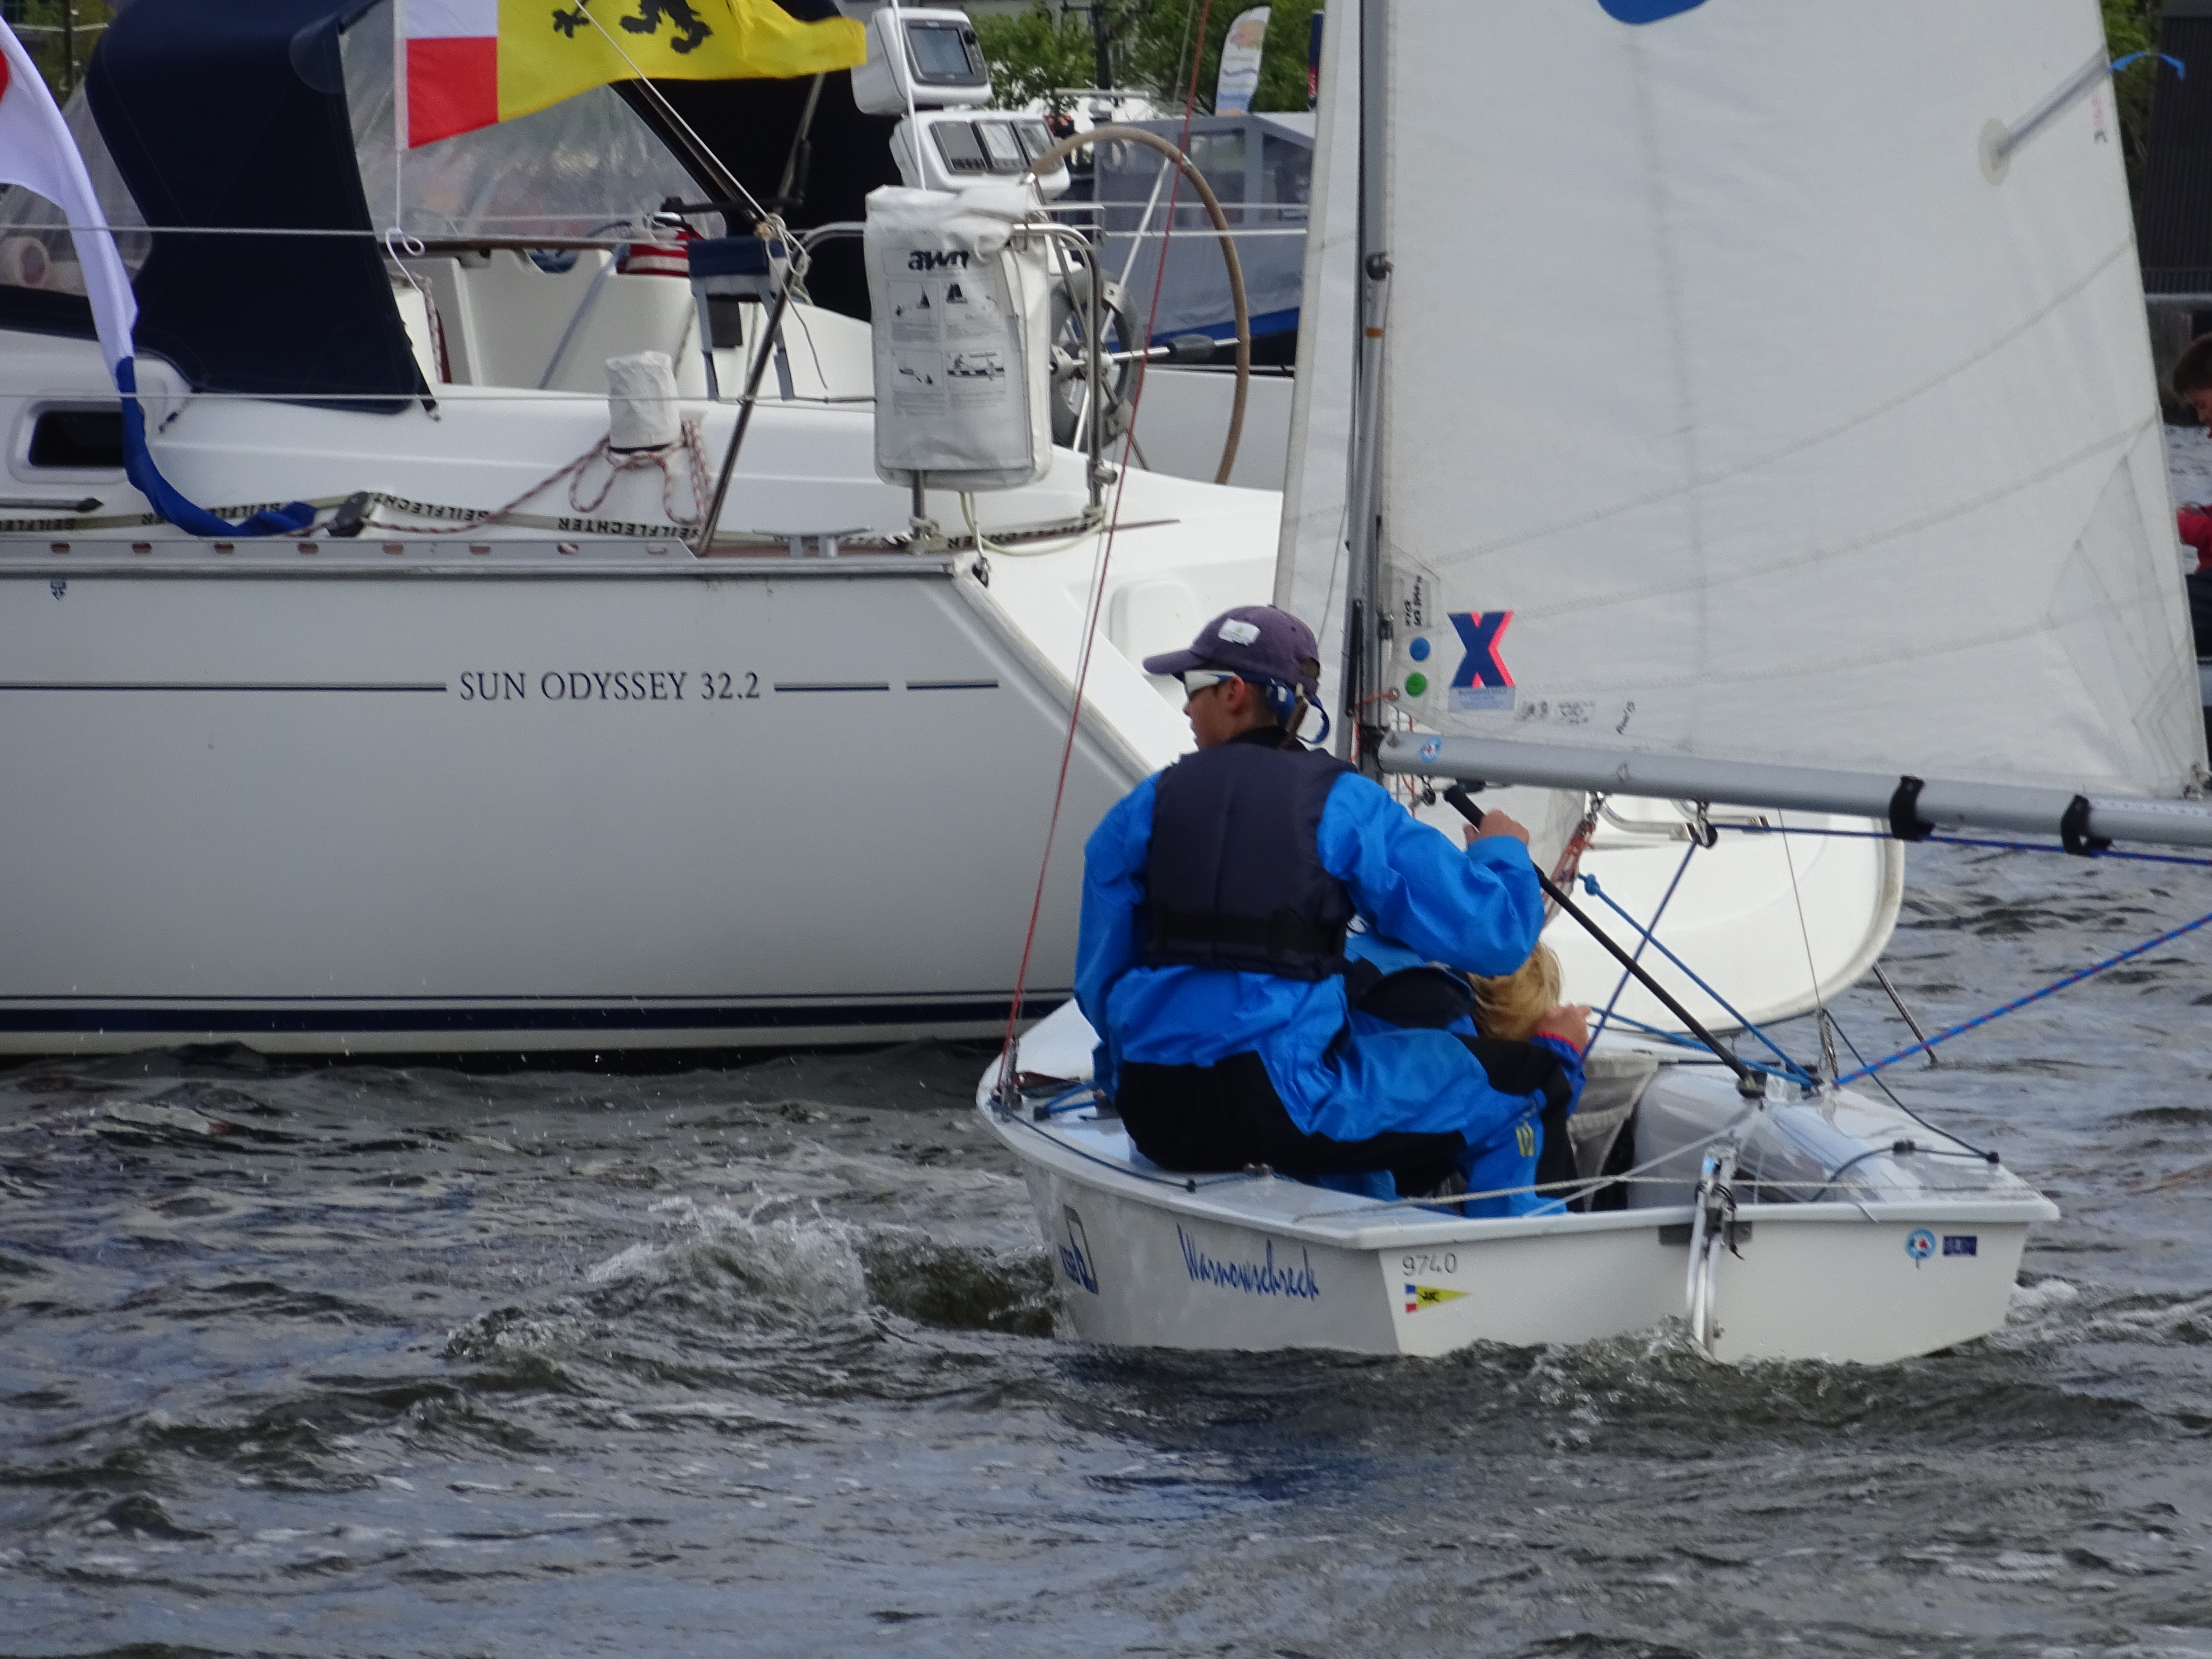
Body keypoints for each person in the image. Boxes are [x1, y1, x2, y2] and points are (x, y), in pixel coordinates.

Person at [1076, 605, 1589, 1216]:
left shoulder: (1140, 809)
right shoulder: (1344, 803)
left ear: (1235, 693)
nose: (1186, 707)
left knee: (1346, 1046)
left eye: (1193, 687)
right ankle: (1516, 1258)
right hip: (1281, 1106)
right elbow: (1497, 938)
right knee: (1530, 1085)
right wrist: (1502, 851)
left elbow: (1099, 987)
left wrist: (1119, 1073)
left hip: (1155, 1111)